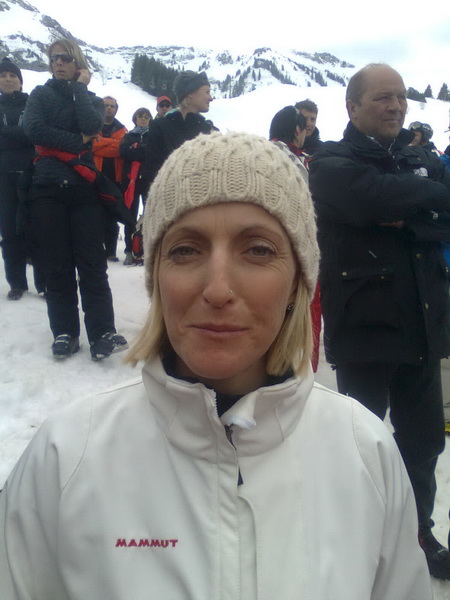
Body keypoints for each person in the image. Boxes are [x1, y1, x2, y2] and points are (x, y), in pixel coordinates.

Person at [0, 131, 432, 600]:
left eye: (258, 250)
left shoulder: (365, 452)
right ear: (157, 275)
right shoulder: (65, 457)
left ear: (297, 281)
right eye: (186, 249)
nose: (218, 289)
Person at [309, 63, 450, 580]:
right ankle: (354, 540)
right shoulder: (330, 161)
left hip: (422, 325)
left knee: (424, 442)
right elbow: (366, 197)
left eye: (401, 97)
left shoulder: (419, 159)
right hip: (365, 328)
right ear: (352, 107)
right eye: (383, 97)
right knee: (358, 449)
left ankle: (417, 536)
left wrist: (407, 214)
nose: (396, 106)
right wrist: (420, 207)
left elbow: (436, 209)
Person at [23, 39, 127, 361]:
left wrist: (80, 88)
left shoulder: (90, 99)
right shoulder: (40, 94)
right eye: (54, 57)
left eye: (65, 58)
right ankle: (64, 333)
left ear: (78, 63)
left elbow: (93, 126)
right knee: (57, 264)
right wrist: (76, 141)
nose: (58, 62)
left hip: (83, 191)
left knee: (93, 263)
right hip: (47, 188)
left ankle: (102, 332)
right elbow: (33, 130)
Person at [269, 105, 321, 372]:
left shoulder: (264, 152)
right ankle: (297, 372)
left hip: (270, 249)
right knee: (299, 313)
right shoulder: (292, 160)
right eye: (305, 125)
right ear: (297, 129)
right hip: (294, 248)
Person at [0, 57, 44, 300]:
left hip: (32, 173)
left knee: (37, 228)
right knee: (9, 232)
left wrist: (5, 132)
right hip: (3, 177)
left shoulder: (32, 104)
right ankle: (16, 283)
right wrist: (20, 134)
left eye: (12, 75)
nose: (8, 79)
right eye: (3, 75)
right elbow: (25, 134)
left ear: (20, 81)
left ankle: (44, 283)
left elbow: (34, 134)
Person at [141, 70, 215, 195]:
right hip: (168, 200)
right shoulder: (160, 127)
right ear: (189, 96)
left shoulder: (209, 130)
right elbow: (151, 173)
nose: (211, 98)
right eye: (207, 92)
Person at [93, 96, 127, 261]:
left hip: (114, 178)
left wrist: (100, 144)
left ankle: (111, 251)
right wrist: (111, 142)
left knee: (112, 215)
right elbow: (90, 146)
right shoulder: (92, 126)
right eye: (106, 105)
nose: (108, 108)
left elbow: (119, 149)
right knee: (94, 215)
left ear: (116, 109)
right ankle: (96, 249)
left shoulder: (122, 129)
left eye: (112, 106)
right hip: (94, 177)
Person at [120, 106, 152, 265]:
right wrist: (141, 151)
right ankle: (129, 250)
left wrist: (136, 149)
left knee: (149, 215)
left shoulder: (153, 136)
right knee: (130, 216)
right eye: (140, 116)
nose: (143, 119)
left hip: (147, 180)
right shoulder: (128, 135)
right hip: (131, 181)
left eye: (146, 117)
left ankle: (145, 250)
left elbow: (151, 153)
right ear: (135, 119)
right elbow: (124, 153)